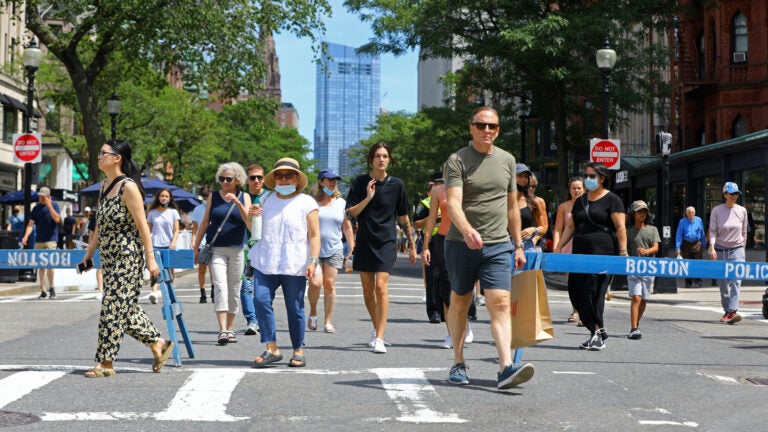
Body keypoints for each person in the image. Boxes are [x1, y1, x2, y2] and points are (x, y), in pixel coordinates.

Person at [443, 106, 533, 390]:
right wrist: (468, 230)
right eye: (481, 125)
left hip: (498, 245)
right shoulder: (457, 160)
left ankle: (505, 367)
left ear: (498, 130)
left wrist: (518, 245)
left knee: (501, 302)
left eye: (492, 126)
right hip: (461, 243)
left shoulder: (507, 160)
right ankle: (458, 361)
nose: (486, 130)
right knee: (461, 301)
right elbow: (453, 203)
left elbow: (511, 206)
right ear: (471, 128)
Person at [78, 139, 173, 378]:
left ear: (117, 158)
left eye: (103, 152)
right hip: (109, 257)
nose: (99, 156)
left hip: (128, 256)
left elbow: (143, 227)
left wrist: (150, 260)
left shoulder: (128, 187)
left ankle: (105, 363)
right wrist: (89, 254)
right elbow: (99, 225)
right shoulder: (103, 186)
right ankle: (159, 344)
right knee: (124, 309)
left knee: (112, 307)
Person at [346, 142, 418, 354]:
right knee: (368, 291)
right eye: (377, 155)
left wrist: (413, 246)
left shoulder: (397, 185)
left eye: (385, 156)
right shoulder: (360, 182)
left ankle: (380, 337)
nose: (381, 159)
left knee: (380, 287)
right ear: (371, 159)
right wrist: (368, 197)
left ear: (389, 159)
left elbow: (404, 217)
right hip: (365, 239)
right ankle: (376, 327)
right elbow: (351, 213)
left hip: (386, 240)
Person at [251, 158, 319, 368]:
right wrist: (249, 215)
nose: (283, 179)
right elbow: (254, 230)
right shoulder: (265, 199)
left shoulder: (307, 202)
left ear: (297, 178)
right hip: (266, 260)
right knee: (260, 300)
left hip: (295, 262)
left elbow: (315, 235)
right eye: (279, 175)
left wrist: (312, 262)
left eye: (288, 175)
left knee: (294, 308)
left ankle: (298, 350)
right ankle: (272, 348)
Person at [554, 162, 627, 351]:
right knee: (576, 291)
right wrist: (559, 247)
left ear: (602, 178)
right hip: (579, 252)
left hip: (602, 252)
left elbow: (620, 228)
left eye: (592, 176)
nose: (588, 179)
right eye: (586, 175)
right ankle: (595, 331)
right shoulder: (581, 201)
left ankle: (596, 333)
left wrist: (623, 252)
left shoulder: (613, 200)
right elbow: (571, 226)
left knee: (593, 292)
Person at [193, 162, 252, 345]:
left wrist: (237, 202)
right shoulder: (213, 196)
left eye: (228, 179)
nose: (224, 182)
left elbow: (250, 223)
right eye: (222, 178)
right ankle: (223, 329)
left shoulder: (245, 196)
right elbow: (204, 222)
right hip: (216, 248)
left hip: (237, 249)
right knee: (220, 286)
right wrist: (196, 245)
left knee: (234, 289)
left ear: (237, 180)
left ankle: (231, 327)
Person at [422, 171, 475, 349]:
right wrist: (426, 246)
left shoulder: (469, 189)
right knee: (445, 290)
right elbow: (431, 220)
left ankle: (465, 325)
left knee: (461, 287)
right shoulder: (438, 191)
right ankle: (451, 333)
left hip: (464, 240)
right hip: (442, 240)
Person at [307, 169, 355, 334]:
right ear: (321, 182)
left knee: (329, 284)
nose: (333, 183)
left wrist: (352, 246)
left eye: (335, 180)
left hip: (335, 249)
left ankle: (328, 321)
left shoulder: (341, 202)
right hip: (314, 249)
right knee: (315, 282)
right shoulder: (311, 202)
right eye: (329, 180)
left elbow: (346, 226)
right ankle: (313, 312)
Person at [708, 182, 748, 325]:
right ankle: (726, 310)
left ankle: (733, 311)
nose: (734, 196)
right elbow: (712, 231)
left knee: (736, 281)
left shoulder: (742, 211)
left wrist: (743, 248)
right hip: (720, 249)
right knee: (724, 283)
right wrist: (712, 247)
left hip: (737, 249)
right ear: (725, 194)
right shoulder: (717, 211)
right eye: (731, 193)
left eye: (736, 193)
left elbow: (744, 232)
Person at [625, 200, 660, 340]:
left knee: (644, 299)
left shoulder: (652, 230)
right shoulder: (627, 232)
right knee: (636, 297)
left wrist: (646, 251)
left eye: (644, 211)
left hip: (649, 268)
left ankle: (636, 323)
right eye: (639, 211)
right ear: (633, 213)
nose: (642, 214)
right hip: (633, 268)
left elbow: (656, 247)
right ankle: (633, 328)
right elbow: (624, 249)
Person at [241, 164, 268, 335]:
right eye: (252, 177)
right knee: (246, 285)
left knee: (263, 287)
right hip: (247, 249)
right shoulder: (243, 197)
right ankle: (252, 320)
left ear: (264, 178)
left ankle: (264, 318)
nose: (256, 180)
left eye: (259, 177)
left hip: (266, 248)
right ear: (247, 180)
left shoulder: (270, 197)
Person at [553, 177, 584, 325]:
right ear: (569, 190)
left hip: (584, 245)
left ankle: (584, 313)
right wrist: (556, 247)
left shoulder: (589, 204)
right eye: (574, 188)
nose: (576, 191)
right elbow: (558, 228)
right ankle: (575, 310)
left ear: (584, 189)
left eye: (579, 188)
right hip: (567, 245)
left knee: (583, 280)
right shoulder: (563, 207)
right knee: (572, 281)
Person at [21, 187, 61, 300]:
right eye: (40, 196)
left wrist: (49, 205)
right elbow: (30, 224)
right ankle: (43, 290)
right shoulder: (36, 208)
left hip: (51, 240)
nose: (41, 198)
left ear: (48, 196)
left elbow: (57, 219)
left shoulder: (55, 205)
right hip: (39, 240)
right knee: (41, 267)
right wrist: (26, 236)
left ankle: (52, 287)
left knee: (50, 265)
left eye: (43, 196)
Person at [146, 188, 181, 304]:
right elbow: (148, 230)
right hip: (155, 245)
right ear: (158, 198)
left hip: (169, 245)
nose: (164, 198)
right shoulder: (152, 213)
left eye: (166, 196)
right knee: (154, 270)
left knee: (170, 269)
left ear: (169, 198)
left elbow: (176, 229)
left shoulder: (173, 212)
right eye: (162, 196)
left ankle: (170, 290)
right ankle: (154, 293)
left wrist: (173, 242)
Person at [516, 165, 548, 251]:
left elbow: (544, 227)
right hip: (505, 245)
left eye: (526, 176)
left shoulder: (535, 201)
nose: (523, 179)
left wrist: (533, 230)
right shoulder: (503, 199)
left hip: (526, 245)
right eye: (520, 176)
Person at [190, 185, 212, 303]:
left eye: (208, 196)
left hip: (212, 241)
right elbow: (195, 228)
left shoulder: (215, 207)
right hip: (201, 242)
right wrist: (193, 242)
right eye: (204, 196)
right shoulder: (198, 209)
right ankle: (202, 293)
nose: (206, 198)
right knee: (202, 269)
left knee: (214, 269)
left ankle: (214, 292)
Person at [675, 206, 706, 288]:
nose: (691, 214)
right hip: (686, 244)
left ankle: (698, 280)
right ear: (686, 213)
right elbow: (679, 235)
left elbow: (702, 233)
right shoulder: (682, 222)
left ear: (694, 213)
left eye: (692, 212)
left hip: (697, 243)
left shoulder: (699, 220)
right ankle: (688, 282)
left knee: (697, 262)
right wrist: (677, 247)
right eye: (689, 213)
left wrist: (703, 244)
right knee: (687, 262)